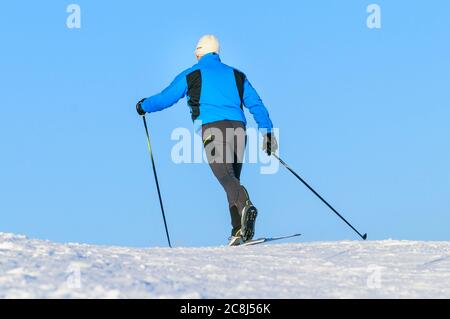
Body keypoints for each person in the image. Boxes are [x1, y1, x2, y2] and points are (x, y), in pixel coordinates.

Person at [136, 35, 277, 246]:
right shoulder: (237, 75)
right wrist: (267, 133)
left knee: (224, 176)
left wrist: (143, 106)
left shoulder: (192, 74)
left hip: (213, 128)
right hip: (239, 129)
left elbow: (166, 97)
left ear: (198, 53)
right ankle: (238, 230)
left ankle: (247, 204)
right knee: (232, 179)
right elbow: (256, 104)